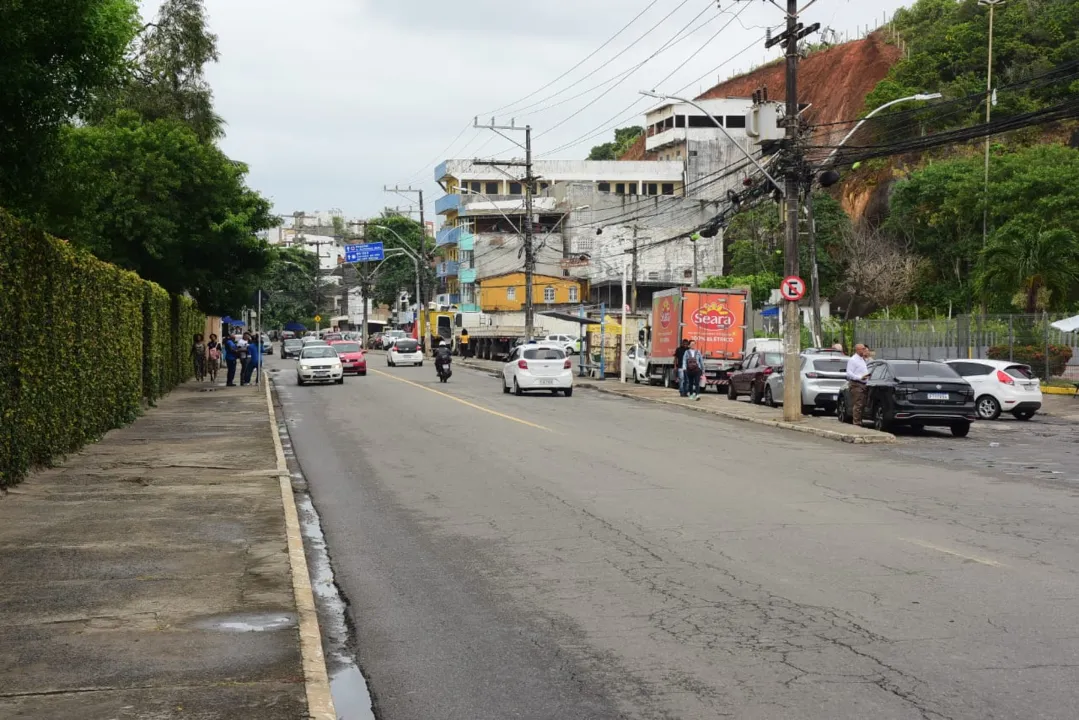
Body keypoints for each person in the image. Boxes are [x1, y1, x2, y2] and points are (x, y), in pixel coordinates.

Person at [845, 343, 872, 425]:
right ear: (857, 350)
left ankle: (859, 421)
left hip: (863, 384)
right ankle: (856, 423)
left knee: (862, 404)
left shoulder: (862, 359)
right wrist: (859, 377)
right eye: (862, 349)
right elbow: (849, 373)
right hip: (857, 384)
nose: (864, 350)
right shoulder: (853, 360)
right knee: (858, 404)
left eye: (864, 349)